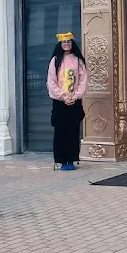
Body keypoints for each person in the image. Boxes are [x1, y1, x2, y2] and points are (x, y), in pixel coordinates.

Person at [47, 32, 88, 171]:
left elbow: (83, 80)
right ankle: (62, 161)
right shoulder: (55, 61)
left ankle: (72, 160)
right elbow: (51, 82)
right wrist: (63, 97)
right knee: (61, 131)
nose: (66, 44)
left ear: (72, 43)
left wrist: (76, 96)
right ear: (60, 44)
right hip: (60, 102)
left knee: (73, 131)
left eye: (68, 42)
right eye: (64, 42)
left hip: (74, 101)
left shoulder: (78, 61)